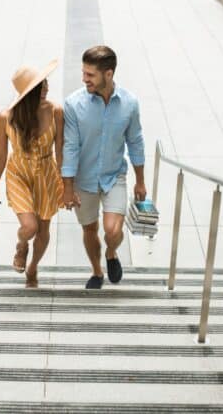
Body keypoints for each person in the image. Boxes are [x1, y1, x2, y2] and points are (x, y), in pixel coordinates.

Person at [62, 46, 146, 289]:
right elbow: (70, 147)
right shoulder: (74, 104)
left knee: (112, 230)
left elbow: (136, 141)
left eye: (90, 75)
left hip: (114, 176)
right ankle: (97, 271)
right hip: (83, 180)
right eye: (83, 73)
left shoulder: (129, 103)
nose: (84, 79)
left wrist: (140, 181)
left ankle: (111, 253)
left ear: (108, 74)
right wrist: (67, 187)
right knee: (90, 229)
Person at [0, 60, 63, 289]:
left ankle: (33, 268)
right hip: (18, 173)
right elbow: (1, 153)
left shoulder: (56, 111)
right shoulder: (5, 117)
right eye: (40, 87)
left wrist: (68, 185)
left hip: (46, 173)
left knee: (43, 229)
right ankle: (22, 244)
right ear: (27, 93)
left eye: (46, 83)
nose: (46, 89)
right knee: (29, 227)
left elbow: (61, 151)